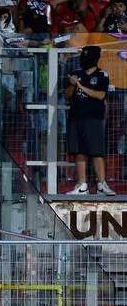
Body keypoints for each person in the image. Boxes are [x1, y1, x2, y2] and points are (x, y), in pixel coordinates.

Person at [64, 46, 115, 195]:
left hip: (94, 118)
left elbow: (100, 95)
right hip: (76, 118)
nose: (84, 59)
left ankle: (101, 185)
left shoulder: (102, 75)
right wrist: (72, 85)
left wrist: (80, 86)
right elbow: (67, 95)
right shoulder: (76, 73)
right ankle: (82, 185)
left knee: (96, 152)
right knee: (79, 151)